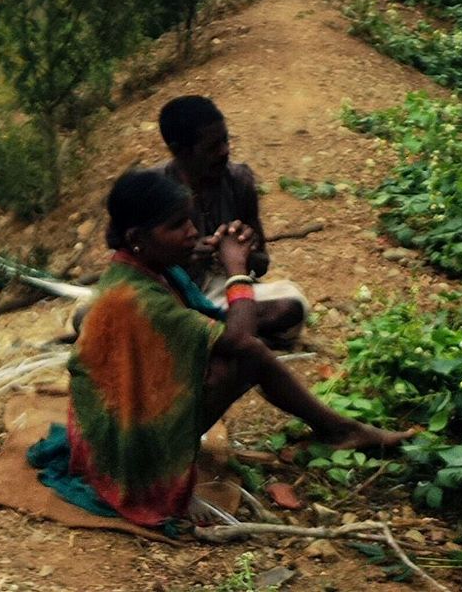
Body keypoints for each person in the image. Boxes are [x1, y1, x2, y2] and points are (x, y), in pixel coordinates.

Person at [33, 168, 411, 529]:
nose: (192, 231)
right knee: (249, 354)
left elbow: (207, 325)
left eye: (190, 221)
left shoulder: (148, 266)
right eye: (178, 225)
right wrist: (236, 268)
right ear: (138, 239)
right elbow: (237, 338)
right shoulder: (135, 297)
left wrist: (210, 255)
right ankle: (336, 431)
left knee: (249, 353)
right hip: (125, 446)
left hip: (133, 410)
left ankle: (338, 429)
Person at [156, 94, 304, 343]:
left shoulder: (238, 180)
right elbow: (138, 267)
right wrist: (185, 255)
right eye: (213, 147)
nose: (225, 150)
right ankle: (221, 333)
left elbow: (262, 264)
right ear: (180, 151)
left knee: (290, 306)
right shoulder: (154, 190)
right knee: (92, 315)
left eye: (225, 140)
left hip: (229, 293)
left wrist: (244, 251)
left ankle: (201, 335)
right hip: (173, 298)